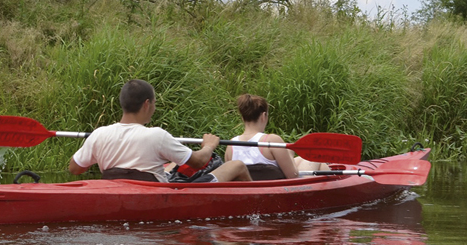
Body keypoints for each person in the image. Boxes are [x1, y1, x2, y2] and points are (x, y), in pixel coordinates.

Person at [69, 79, 251, 183]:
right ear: (147, 104)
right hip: (158, 196)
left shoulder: (99, 134)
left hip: (116, 192)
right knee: (237, 165)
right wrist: (209, 146)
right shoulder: (157, 135)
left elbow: (75, 168)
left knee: (169, 167)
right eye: (154, 103)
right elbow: (198, 162)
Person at [224, 94, 329, 181]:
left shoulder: (231, 145)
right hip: (279, 192)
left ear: (242, 118)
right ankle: (334, 191)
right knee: (315, 157)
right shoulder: (271, 140)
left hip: (249, 193)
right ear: (264, 116)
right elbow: (293, 175)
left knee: (305, 160)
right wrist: (290, 153)